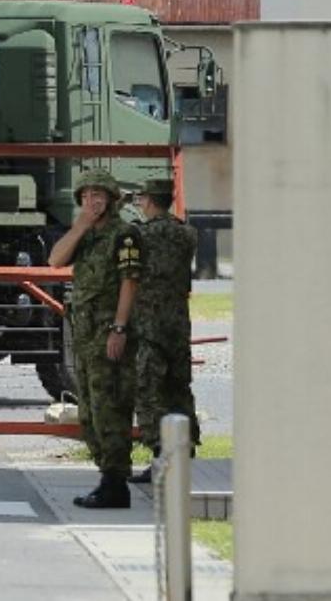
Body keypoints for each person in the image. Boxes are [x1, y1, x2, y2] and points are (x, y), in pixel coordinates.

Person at [48, 168, 142, 509]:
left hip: (108, 336)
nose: (92, 202)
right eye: (87, 197)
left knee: (110, 410)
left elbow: (130, 283)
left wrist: (119, 328)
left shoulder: (125, 235)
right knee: (88, 412)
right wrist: (80, 226)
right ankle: (107, 477)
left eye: (99, 196)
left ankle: (116, 483)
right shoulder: (85, 235)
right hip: (85, 338)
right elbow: (55, 260)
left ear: (113, 200)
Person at [129, 177, 201, 483]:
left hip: (149, 322)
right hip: (178, 319)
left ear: (149, 201)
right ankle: (186, 444)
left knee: (148, 388)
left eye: (141, 198)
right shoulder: (187, 233)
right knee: (178, 385)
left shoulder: (140, 235)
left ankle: (160, 451)